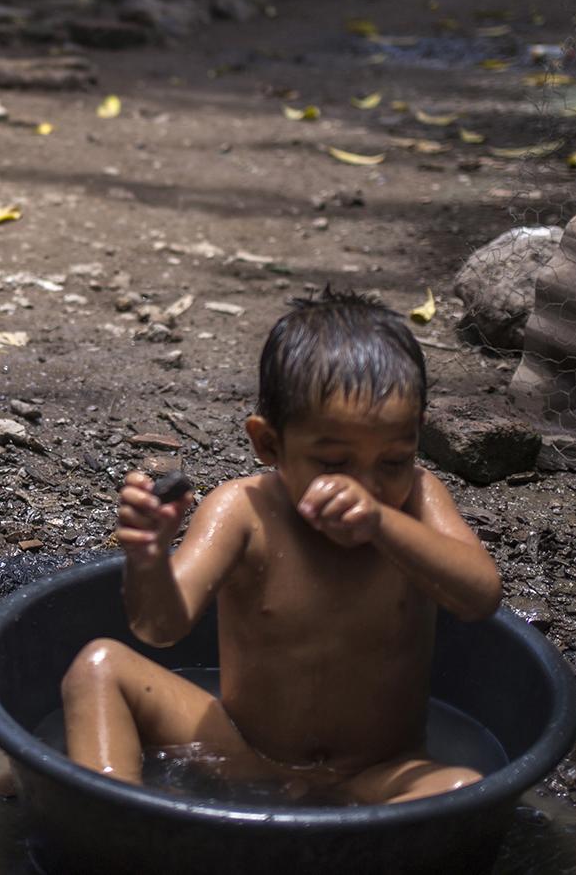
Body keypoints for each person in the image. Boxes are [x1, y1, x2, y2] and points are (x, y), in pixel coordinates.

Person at [61, 291, 502, 803]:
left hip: (379, 774)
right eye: (334, 463)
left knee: (460, 790)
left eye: (393, 462)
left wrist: (382, 523)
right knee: (98, 665)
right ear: (268, 444)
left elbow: (480, 595)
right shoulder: (242, 510)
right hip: (244, 755)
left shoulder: (419, 501)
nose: (364, 487)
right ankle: (116, 820)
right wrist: (148, 559)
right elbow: (160, 628)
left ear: (417, 436)